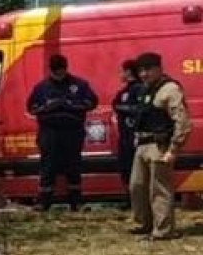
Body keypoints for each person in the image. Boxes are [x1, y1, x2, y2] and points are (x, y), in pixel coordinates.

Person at [129, 51, 192, 241]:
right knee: (137, 186)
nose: (143, 74)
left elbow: (182, 121)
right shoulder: (145, 89)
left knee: (159, 190)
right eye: (141, 70)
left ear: (159, 68)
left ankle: (163, 230)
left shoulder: (170, 89)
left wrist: (174, 148)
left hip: (160, 145)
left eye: (148, 69)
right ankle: (143, 224)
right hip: (142, 144)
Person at [25, 54, 97, 211]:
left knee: (73, 166)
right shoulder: (41, 88)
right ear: (51, 70)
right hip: (49, 132)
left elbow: (92, 102)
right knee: (48, 166)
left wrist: (71, 105)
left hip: (72, 131)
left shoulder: (79, 85)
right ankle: (44, 201)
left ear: (66, 68)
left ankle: (76, 201)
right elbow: (31, 108)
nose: (59, 75)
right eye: (56, 72)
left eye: (62, 71)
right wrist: (47, 107)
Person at [111, 58, 144, 189]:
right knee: (126, 167)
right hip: (125, 136)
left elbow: (140, 109)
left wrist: (122, 108)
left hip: (135, 136)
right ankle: (129, 197)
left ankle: (137, 198)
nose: (120, 75)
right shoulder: (124, 91)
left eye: (122, 71)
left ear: (129, 72)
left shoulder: (139, 88)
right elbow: (116, 104)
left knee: (136, 168)